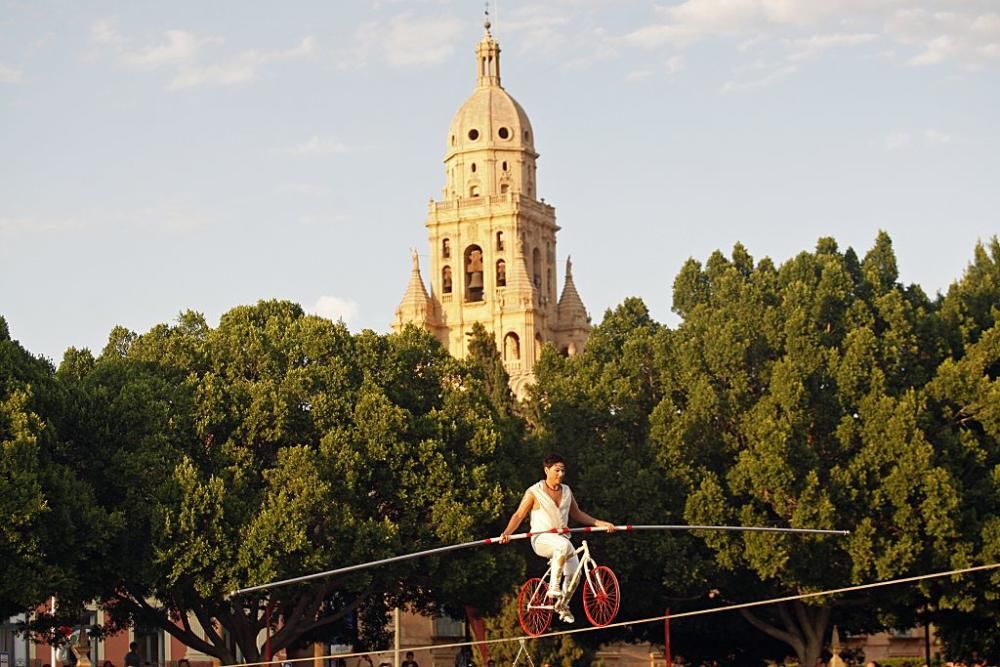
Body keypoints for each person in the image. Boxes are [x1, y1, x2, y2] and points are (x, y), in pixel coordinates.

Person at [499, 454, 615, 623]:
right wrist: (507, 532)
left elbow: (578, 514)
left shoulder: (567, 491)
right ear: (546, 470)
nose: (560, 474)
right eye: (557, 470)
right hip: (541, 539)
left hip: (563, 540)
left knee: (575, 574)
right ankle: (553, 587)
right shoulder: (534, 492)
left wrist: (601, 524)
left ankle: (562, 604)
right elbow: (518, 515)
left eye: (563, 470)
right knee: (561, 546)